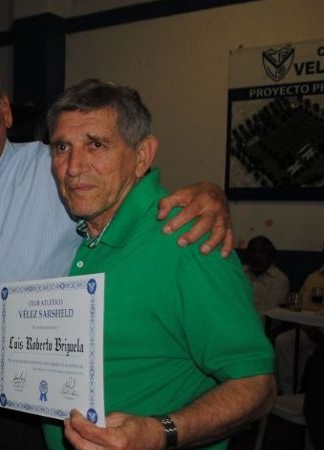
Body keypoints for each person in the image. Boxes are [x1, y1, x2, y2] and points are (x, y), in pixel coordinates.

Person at [0, 57, 235, 450]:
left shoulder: (60, 168)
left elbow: (127, 185)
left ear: (3, 110)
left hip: (38, 416)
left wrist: (209, 192)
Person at [42, 79, 275, 450]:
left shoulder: (187, 239)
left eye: (96, 144)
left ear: (142, 155)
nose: (73, 167)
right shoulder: (81, 230)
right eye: (62, 147)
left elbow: (257, 384)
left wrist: (159, 432)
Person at [274, 258, 324, 394]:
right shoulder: (314, 277)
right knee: (284, 341)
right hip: (310, 329)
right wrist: (310, 327)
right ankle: (287, 392)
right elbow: (300, 304)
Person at [244, 236, 289, 316]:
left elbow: (267, 314)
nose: (257, 256)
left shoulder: (279, 279)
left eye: (262, 252)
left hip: (260, 326)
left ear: (270, 254)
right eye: (253, 251)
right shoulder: (238, 273)